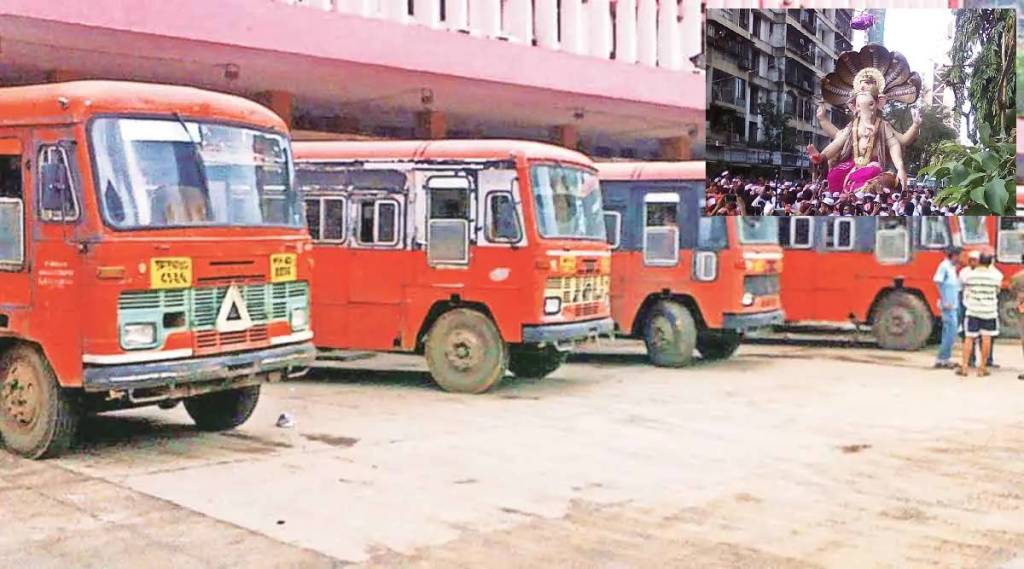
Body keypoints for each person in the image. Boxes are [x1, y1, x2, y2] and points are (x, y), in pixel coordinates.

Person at [958, 252, 1003, 378]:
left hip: (972, 310)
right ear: (991, 263)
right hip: (989, 311)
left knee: (969, 338)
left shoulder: (970, 276)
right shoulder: (996, 276)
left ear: (979, 261)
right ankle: (982, 368)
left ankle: (965, 367)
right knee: (986, 338)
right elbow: (997, 290)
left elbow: (964, 286)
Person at [933, 247, 961, 369]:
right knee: (951, 331)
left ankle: (945, 358)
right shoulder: (944, 266)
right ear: (953, 255)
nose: (959, 258)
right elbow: (938, 282)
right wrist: (944, 300)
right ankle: (942, 359)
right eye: (958, 256)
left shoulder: (952, 267)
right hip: (948, 305)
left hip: (953, 303)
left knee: (950, 331)